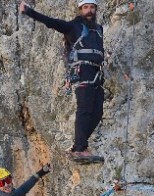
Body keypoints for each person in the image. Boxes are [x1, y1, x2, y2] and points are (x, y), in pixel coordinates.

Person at [19, 0, 105, 161]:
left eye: (92, 7)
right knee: (84, 110)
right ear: (80, 10)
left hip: (97, 72)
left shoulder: (98, 30)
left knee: (98, 112)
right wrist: (29, 11)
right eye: (86, 7)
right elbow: (50, 22)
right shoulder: (73, 27)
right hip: (82, 71)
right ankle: (80, 149)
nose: (90, 11)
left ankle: (77, 146)